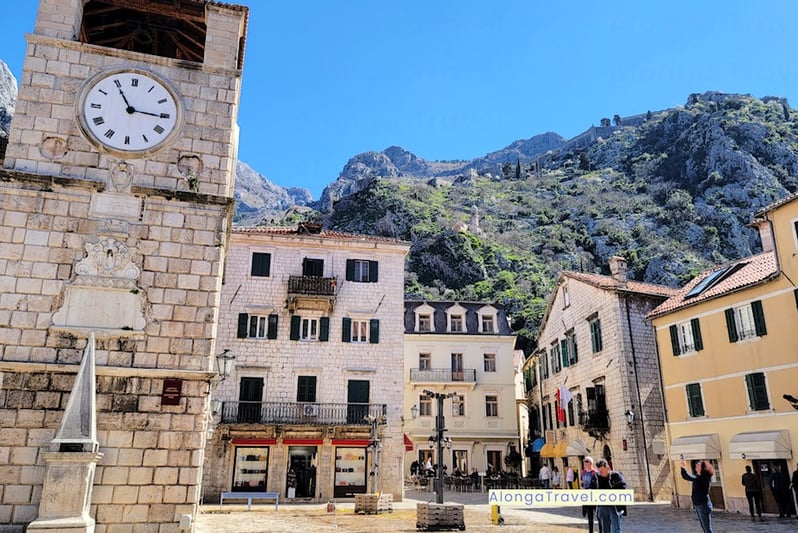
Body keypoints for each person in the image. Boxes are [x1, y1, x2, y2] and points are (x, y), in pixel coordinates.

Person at [681, 459, 714, 533]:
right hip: (699, 505)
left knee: (707, 528)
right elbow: (686, 477)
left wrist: (684, 468)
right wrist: (683, 468)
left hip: (703, 505)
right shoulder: (698, 477)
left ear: (703, 468)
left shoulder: (704, 478)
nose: (696, 465)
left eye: (698, 465)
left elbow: (688, 477)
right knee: (705, 528)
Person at [594, 458, 626, 533]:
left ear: (607, 468)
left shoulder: (616, 476)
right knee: (605, 529)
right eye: (599, 471)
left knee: (616, 529)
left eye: (602, 471)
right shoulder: (597, 477)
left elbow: (623, 488)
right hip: (603, 506)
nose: (601, 473)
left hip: (614, 506)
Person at [581, 456, 602, 533]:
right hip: (586, 496)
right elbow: (582, 482)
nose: (585, 463)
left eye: (586, 462)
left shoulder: (595, 473)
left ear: (591, 463)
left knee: (598, 514)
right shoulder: (583, 472)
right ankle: (591, 531)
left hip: (594, 495)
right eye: (584, 462)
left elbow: (598, 484)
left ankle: (601, 530)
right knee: (589, 515)